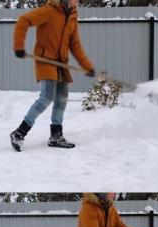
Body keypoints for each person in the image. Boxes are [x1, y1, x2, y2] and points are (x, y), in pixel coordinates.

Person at [11, 0, 95, 152]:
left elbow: (75, 44)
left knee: (62, 98)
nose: (77, 1)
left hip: (61, 64)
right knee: (47, 97)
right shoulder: (49, 11)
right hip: (46, 60)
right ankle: (19, 133)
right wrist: (19, 45)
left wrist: (87, 66)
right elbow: (24, 20)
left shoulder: (72, 15)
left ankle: (56, 135)